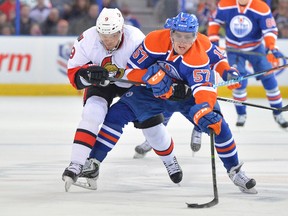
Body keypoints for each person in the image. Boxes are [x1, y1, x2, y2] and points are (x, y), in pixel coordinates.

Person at [79, 12, 257, 194]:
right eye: (178, 35)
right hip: (153, 93)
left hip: (187, 97)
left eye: (188, 37)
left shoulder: (199, 56)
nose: (182, 41)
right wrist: (150, 77)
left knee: (217, 124)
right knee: (117, 114)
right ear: (170, 32)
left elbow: (204, 88)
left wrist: (205, 107)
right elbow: (130, 70)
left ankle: (235, 170)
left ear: (196, 37)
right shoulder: (154, 40)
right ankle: (93, 163)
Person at [61, 7, 146, 192]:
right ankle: (76, 164)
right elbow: (73, 74)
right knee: (92, 113)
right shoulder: (87, 39)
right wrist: (86, 73)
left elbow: (148, 71)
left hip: (130, 84)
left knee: (151, 122)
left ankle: (169, 160)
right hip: (102, 84)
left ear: (121, 30)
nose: (107, 40)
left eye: (112, 35)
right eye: (103, 35)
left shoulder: (136, 39)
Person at [207, 0, 288, 128]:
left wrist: (272, 47)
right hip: (234, 50)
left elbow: (270, 30)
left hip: (255, 48)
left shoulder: (261, 7)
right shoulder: (225, 4)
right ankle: (241, 114)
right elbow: (214, 22)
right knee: (238, 82)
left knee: (270, 80)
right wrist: (214, 41)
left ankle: (278, 113)